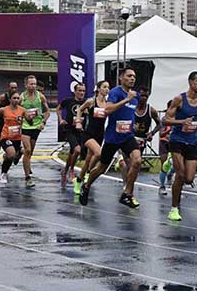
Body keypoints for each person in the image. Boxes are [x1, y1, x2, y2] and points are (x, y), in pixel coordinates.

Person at [78, 67, 142, 209]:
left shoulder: (135, 95)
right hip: (113, 137)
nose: (132, 79)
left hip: (127, 136)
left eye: (134, 76)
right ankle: (87, 185)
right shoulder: (115, 93)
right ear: (121, 78)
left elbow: (130, 113)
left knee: (137, 161)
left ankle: (127, 194)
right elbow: (107, 110)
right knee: (101, 168)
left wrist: (133, 124)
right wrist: (126, 100)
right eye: (129, 76)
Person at [163, 71, 197, 221]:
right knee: (180, 174)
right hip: (177, 140)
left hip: (193, 141)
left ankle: (170, 166)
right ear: (190, 82)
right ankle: (174, 209)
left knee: (189, 178)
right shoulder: (179, 99)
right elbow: (166, 119)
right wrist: (181, 122)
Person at [72, 81, 110, 194]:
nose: (107, 89)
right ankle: (89, 173)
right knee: (98, 153)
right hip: (88, 133)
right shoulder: (91, 101)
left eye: (108, 87)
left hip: (100, 134)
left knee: (89, 159)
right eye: (104, 87)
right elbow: (79, 109)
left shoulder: (108, 103)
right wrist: (78, 122)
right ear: (98, 89)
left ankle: (79, 180)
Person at [0, 92, 32, 185]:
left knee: (11, 156)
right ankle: (3, 174)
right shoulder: (4, 110)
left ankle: (7, 162)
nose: (16, 100)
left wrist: (30, 118)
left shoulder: (23, 110)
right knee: (11, 153)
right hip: (5, 136)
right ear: (10, 99)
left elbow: (30, 123)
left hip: (17, 137)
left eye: (18, 98)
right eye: (14, 98)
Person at [20, 75, 50, 188]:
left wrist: (43, 122)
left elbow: (47, 111)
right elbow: (16, 111)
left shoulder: (40, 97)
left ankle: (20, 152)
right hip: (25, 127)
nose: (33, 86)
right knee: (28, 150)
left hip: (36, 127)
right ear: (26, 85)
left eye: (34, 84)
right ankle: (27, 177)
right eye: (31, 84)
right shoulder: (22, 98)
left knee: (30, 151)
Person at [57, 83, 87, 186]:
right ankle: (72, 170)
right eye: (79, 91)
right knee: (77, 149)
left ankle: (65, 171)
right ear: (75, 91)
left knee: (72, 153)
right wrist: (61, 119)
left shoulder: (86, 102)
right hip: (69, 129)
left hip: (81, 131)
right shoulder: (68, 101)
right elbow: (59, 108)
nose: (81, 93)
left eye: (83, 91)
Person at [0, 82, 18, 172]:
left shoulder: (18, 98)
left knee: (14, 143)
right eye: (12, 87)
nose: (14, 89)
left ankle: (9, 156)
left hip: (13, 124)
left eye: (15, 88)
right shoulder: (2, 97)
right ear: (8, 88)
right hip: (3, 123)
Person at [133, 87, 161, 155]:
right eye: (142, 95)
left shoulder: (151, 110)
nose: (144, 98)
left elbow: (160, 124)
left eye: (146, 96)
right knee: (127, 160)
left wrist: (152, 133)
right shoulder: (131, 107)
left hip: (141, 140)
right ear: (137, 95)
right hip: (129, 138)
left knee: (136, 161)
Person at [158, 100, 174, 195]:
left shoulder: (179, 118)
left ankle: (170, 174)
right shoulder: (165, 119)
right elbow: (161, 134)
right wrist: (169, 130)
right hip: (164, 142)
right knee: (164, 164)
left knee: (176, 164)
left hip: (174, 142)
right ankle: (162, 186)